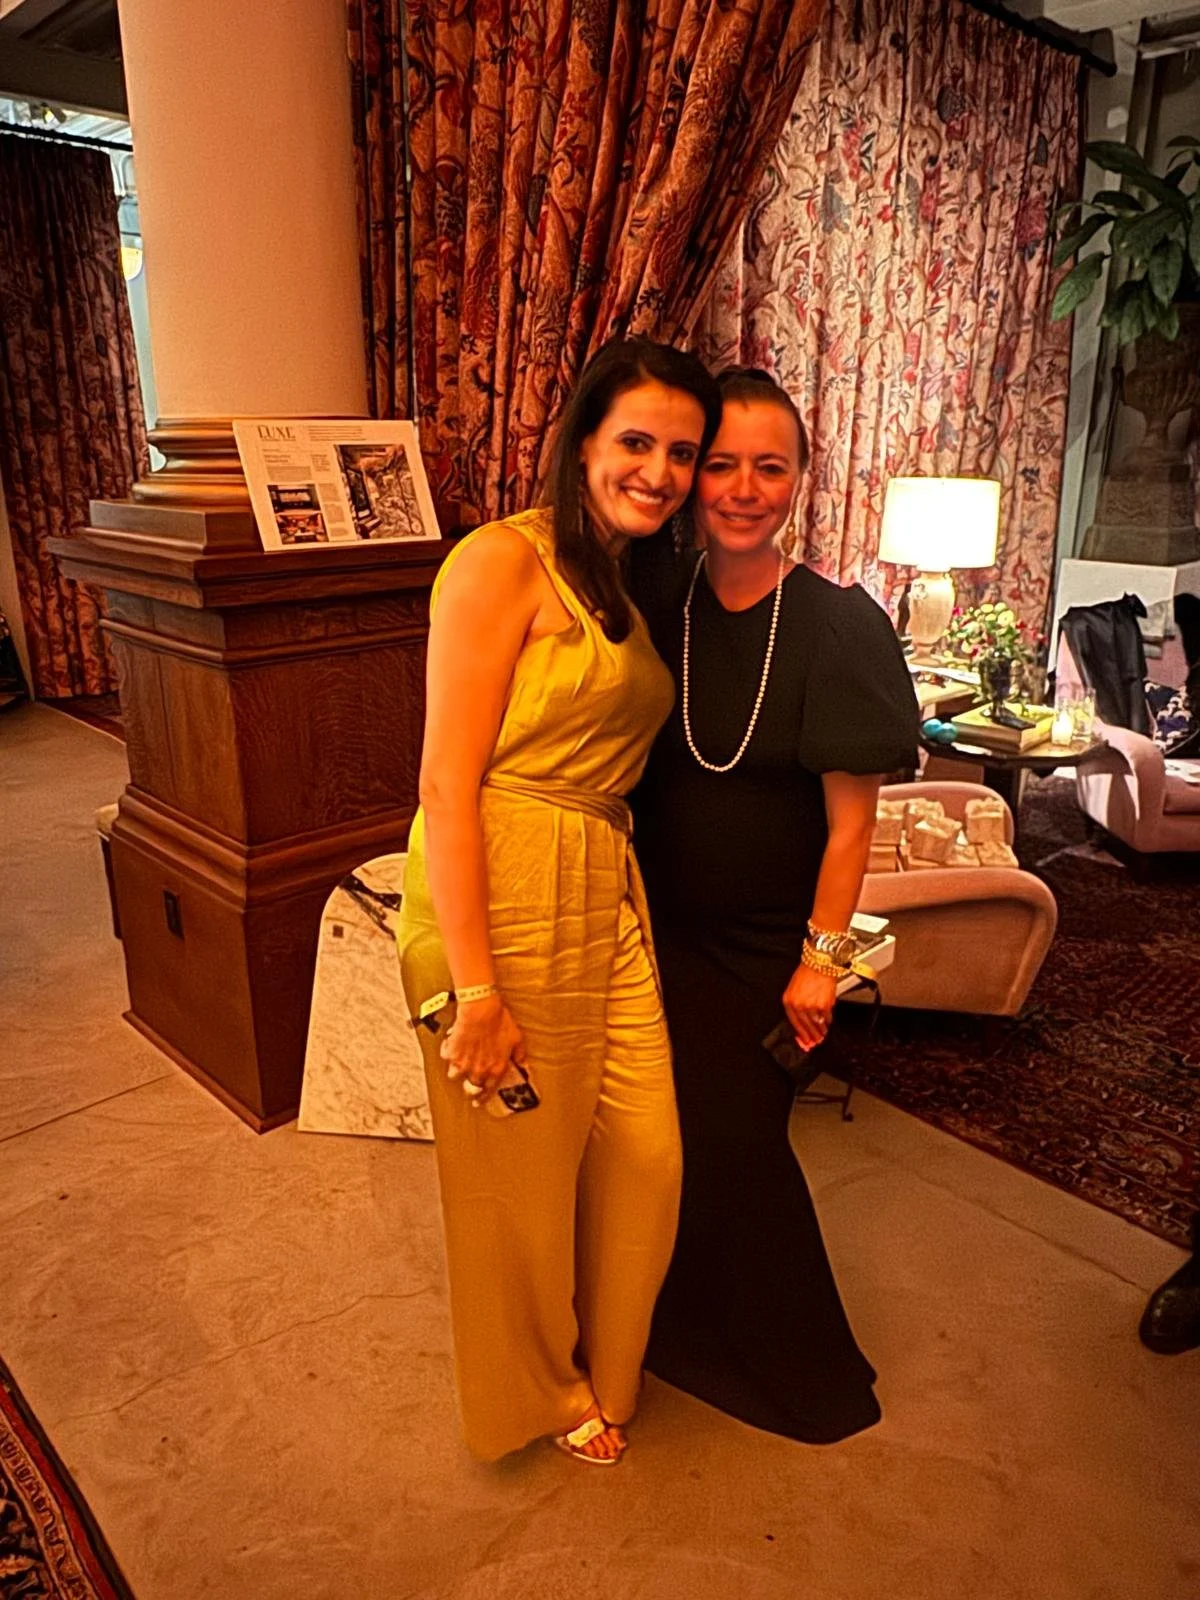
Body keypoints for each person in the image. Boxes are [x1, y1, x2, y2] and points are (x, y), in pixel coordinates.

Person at [396, 339, 722, 1465]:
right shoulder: (500, 561)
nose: (659, 469)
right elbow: (446, 778)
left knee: (647, 1153)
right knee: (517, 1183)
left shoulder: (625, 584)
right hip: (507, 870)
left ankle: (606, 1362)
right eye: (636, 441)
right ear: (582, 440)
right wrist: (472, 984)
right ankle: (542, 1387)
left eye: (682, 451)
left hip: (602, 876)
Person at [629, 367, 919, 1443]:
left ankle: (809, 1375)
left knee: (737, 1146)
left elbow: (851, 829)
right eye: (721, 463)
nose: (743, 488)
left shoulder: (838, 626)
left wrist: (822, 961)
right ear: (690, 475)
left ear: (800, 480)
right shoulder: (657, 602)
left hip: (763, 950)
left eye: (771, 466)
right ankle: (679, 1322)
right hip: (650, 933)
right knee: (662, 1145)